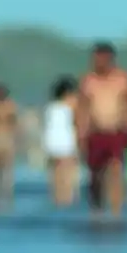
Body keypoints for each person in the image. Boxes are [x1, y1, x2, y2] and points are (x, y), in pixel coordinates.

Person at [76, 42, 127, 217]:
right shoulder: (88, 81)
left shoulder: (123, 80)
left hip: (117, 130)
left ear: (110, 59)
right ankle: (97, 209)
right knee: (95, 174)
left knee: (116, 169)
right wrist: (80, 134)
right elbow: (83, 110)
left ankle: (117, 209)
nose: (97, 62)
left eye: (101, 59)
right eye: (95, 59)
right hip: (95, 133)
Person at [43, 77, 79, 206]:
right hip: (66, 146)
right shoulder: (70, 106)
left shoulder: (50, 108)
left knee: (56, 178)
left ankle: (58, 201)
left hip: (52, 146)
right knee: (68, 178)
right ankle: (67, 202)